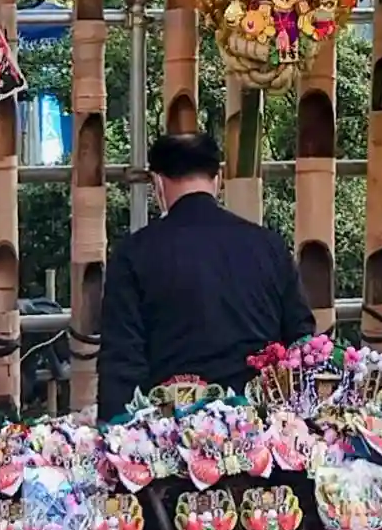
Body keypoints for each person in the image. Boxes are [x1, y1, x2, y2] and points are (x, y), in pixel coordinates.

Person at [97, 131, 313, 418]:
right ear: (218, 179)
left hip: (169, 430)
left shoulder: (133, 254)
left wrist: (114, 428)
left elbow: (122, 361)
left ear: (157, 183)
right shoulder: (269, 246)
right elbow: (301, 343)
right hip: (260, 426)